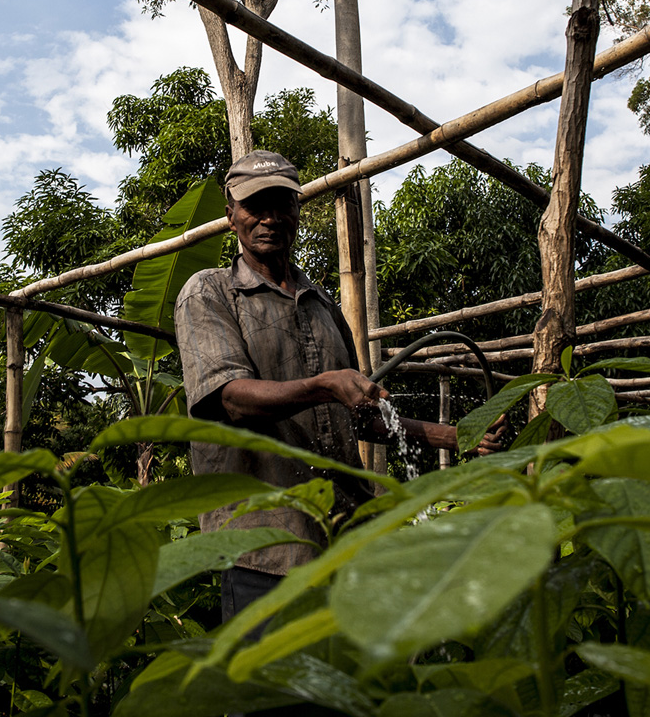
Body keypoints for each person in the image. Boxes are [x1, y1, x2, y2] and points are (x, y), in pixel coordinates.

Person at [175, 150, 505, 622]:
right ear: (231, 215)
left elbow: (362, 416)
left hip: (346, 542)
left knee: (347, 690)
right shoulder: (208, 292)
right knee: (276, 692)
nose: (268, 218)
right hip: (265, 548)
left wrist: (460, 437)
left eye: (281, 204)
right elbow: (228, 398)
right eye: (254, 206)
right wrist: (325, 385)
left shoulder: (323, 307)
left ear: (297, 211)